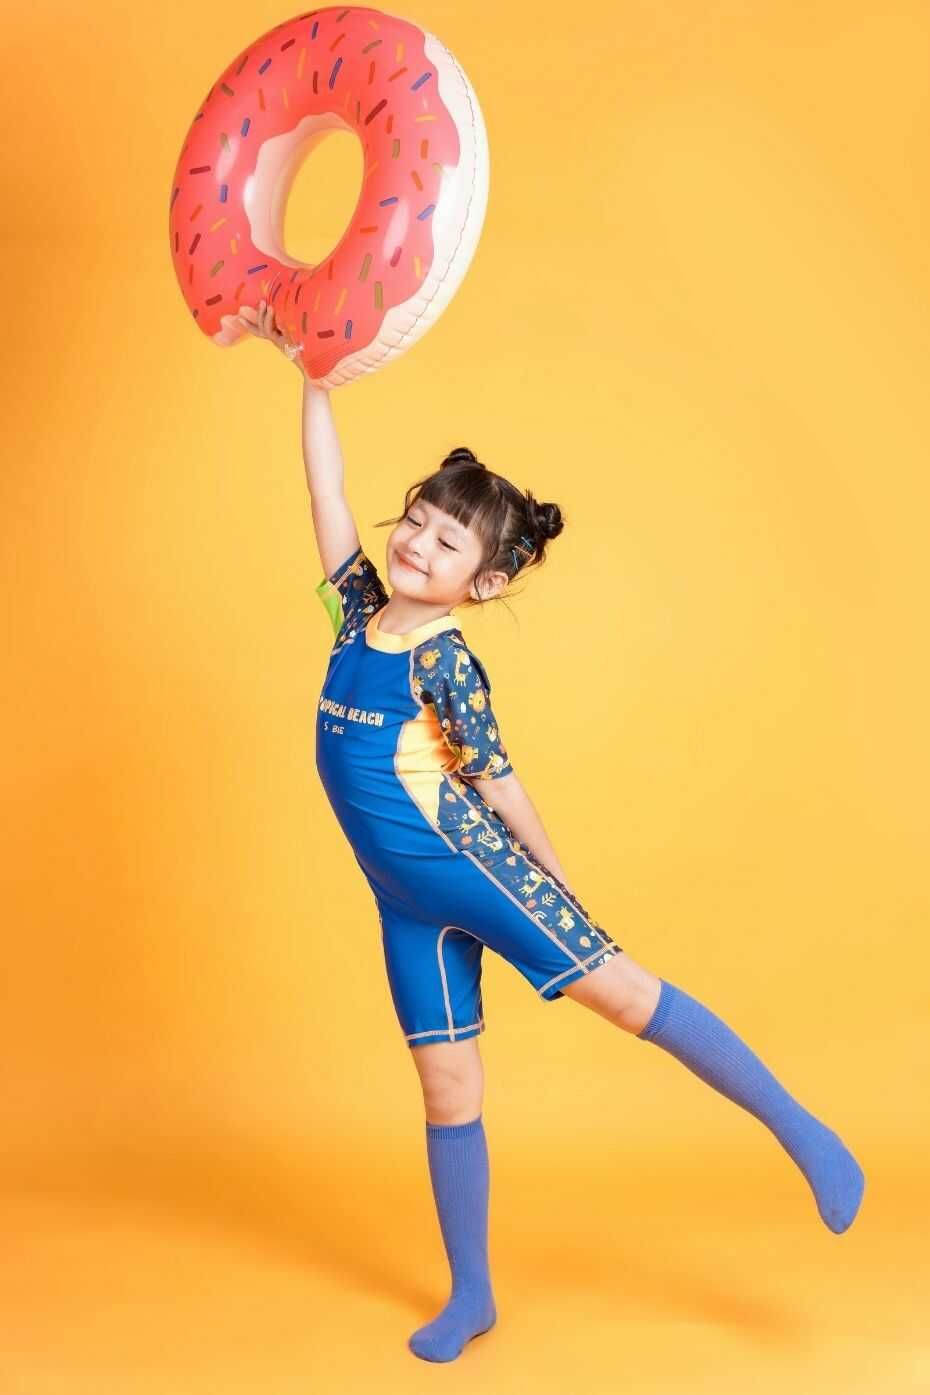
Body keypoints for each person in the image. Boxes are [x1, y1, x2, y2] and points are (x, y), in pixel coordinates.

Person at [233, 300, 866, 1363]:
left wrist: (555, 878)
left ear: (483, 583)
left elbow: (499, 779)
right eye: (416, 520)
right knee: (448, 1085)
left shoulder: (443, 657)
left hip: (480, 874)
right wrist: (314, 379)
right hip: (404, 905)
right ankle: (472, 1295)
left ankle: (807, 1132)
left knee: (626, 997)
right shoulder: (355, 614)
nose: (418, 541)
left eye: (447, 540)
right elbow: (325, 490)